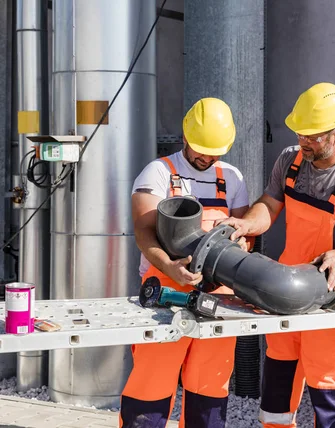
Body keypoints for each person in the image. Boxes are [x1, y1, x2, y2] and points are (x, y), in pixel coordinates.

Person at [217, 82, 335, 428]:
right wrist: (247, 225)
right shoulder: (290, 160)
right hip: (283, 290)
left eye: (313, 137)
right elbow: (269, 206)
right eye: (301, 133)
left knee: (326, 388)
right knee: (277, 384)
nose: (304, 142)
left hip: (327, 297)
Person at [119, 97, 251, 428]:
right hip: (163, 295)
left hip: (217, 300)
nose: (207, 157)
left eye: (215, 151)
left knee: (209, 388)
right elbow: (144, 233)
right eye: (201, 149)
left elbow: (244, 236)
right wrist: (170, 268)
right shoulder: (159, 172)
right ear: (185, 137)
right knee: (151, 385)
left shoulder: (232, 178)